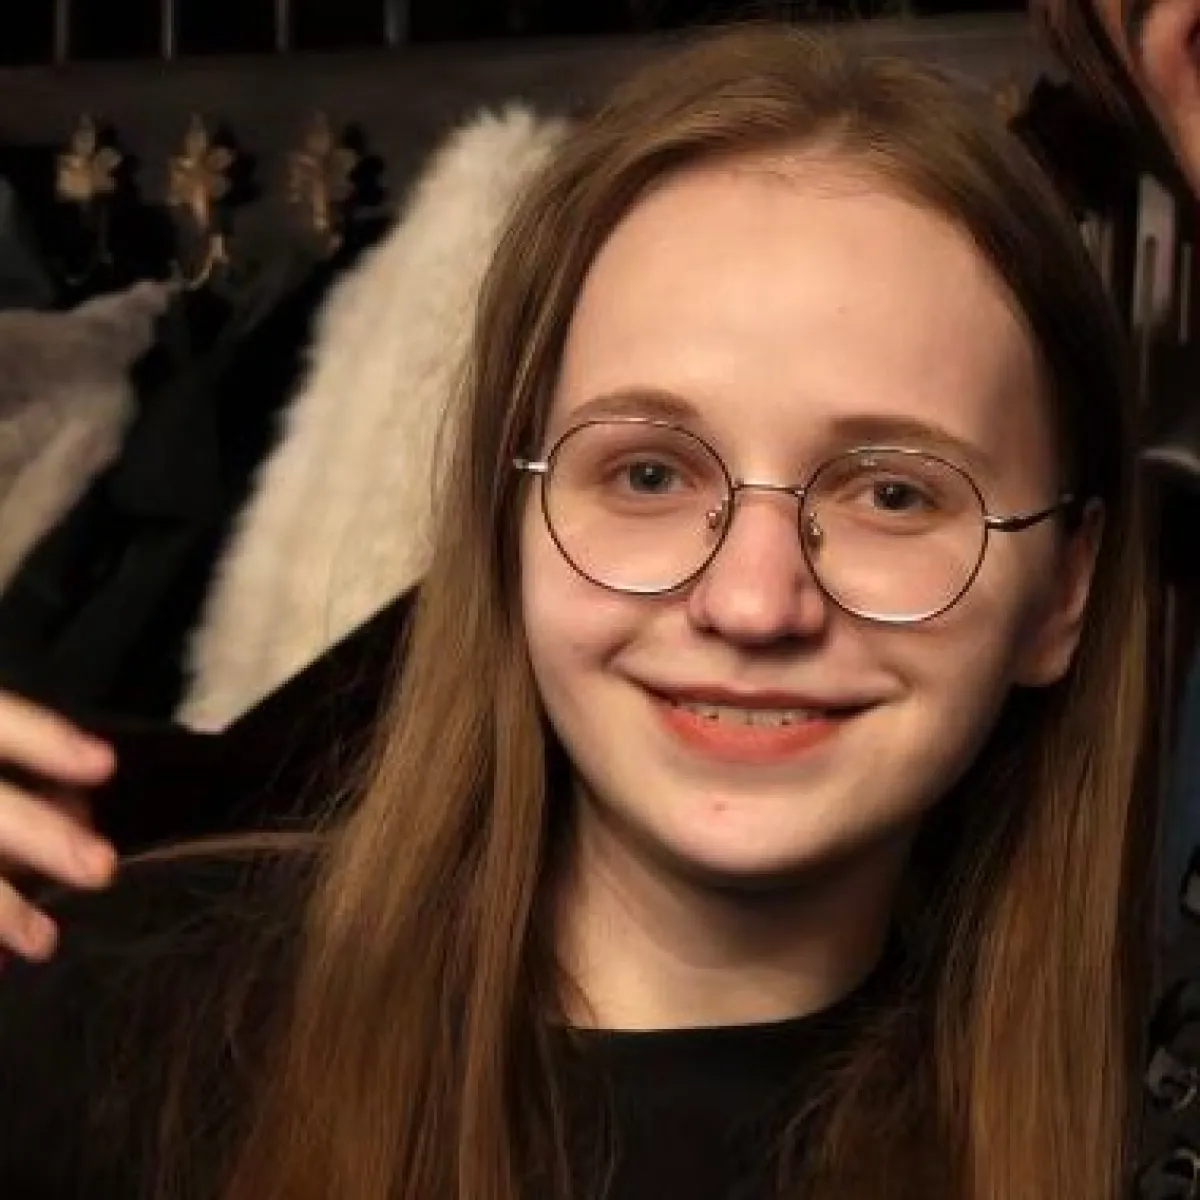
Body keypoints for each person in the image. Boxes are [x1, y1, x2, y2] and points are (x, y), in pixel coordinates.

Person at [0, 23, 1152, 1200]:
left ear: (1063, 590)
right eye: (649, 474)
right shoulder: (109, 1021)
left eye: (894, 494)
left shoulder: (1135, 1138)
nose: (754, 602)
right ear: (508, 520)